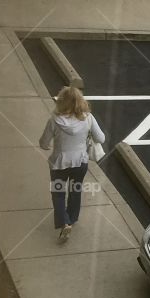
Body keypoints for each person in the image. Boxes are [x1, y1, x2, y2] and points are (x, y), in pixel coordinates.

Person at [38, 86, 106, 243]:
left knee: (58, 193)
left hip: (59, 163)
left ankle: (64, 222)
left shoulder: (54, 120)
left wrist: (46, 145)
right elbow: (101, 138)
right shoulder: (88, 118)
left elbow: (44, 142)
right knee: (75, 190)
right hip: (80, 162)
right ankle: (72, 218)